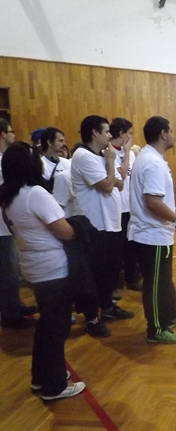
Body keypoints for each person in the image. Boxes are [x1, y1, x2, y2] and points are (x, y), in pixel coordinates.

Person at [0, 142, 86, 400]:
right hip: (52, 267)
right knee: (57, 328)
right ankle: (54, 386)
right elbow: (65, 232)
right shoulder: (35, 193)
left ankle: (42, 376)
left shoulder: (9, 196)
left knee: (47, 325)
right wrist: (79, 229)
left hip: (33, 266)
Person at [128, 116, 176, 344]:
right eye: (172, 131)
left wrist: (171, 221)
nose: (174, 135)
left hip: (155, 232)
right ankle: (156, 329)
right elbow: (153, 202)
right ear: (163, 134)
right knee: (155, 284)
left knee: (163, 280)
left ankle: (169, 315)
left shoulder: (149, 157)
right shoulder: (153, 163)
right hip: (151, 235)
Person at [71, 115, 133, 337]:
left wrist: (110, 169)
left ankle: (107, 307)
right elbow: (108, 185)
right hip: (94, 225)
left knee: (110, 269)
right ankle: (91, 317)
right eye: (106, 131)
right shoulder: (83, 156)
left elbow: (120, 183)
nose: (110, 135)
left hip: (111, 222)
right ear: (94, 133)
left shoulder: (102, 155)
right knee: (93, 274)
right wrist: (110, 163)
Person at [0, 119, 36, 329]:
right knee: (9, 272)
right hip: (1, 227)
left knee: (12, 270)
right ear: (3, 134)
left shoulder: (4, 159)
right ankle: (10, 313)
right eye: (11, 131)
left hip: (8, 224)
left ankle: (13, 305)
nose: (14, 135)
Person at [109, 117, 141, 292]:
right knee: (116, 247)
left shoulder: (132, 154)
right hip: (116, 207)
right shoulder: (108, 152)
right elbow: (121, 174)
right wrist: (127, 153)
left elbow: (133, 177)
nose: (131, 137)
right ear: (121, 134)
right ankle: (114, 283)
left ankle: (133, 278)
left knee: (131, 245)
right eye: (129, 133)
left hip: (130, 205)